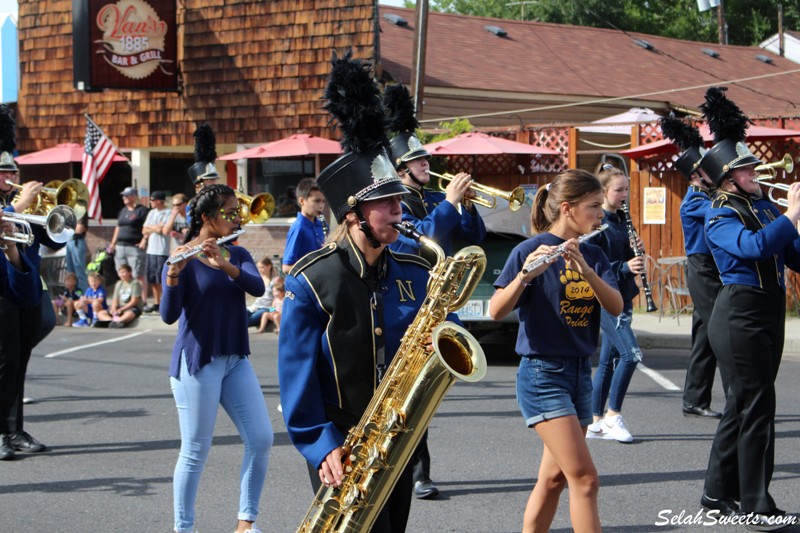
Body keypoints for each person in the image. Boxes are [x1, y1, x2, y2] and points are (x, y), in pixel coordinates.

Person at [278, 51, 435, 533]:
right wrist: (320, 443)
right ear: (352, 214)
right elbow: (296, 376)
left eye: (398, 201)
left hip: (399, 434)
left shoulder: (416, 266)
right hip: (340, 439)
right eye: (383, 204)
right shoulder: (311, 279)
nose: (397, 211)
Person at [489, 169, 622, 533]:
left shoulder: (593, 253)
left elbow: (615, 306)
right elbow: (496, 310)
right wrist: (525, 275)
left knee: (554, 480)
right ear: (567, 208)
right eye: (593, 206)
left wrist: (587, 270)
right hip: (542, 375)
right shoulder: (528, 250)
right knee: (586, 480)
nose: (600, 213)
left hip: (580, 375)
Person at [698, 87, 800, 530]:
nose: (758, 171)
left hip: (767, 309)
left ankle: (716, 492)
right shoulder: (719, 212)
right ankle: (755, 500)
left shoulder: (760, 204)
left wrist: (793, 223)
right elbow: (754, 248)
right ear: (727, 178)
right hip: (738, 313)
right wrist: (791, 216)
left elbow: (792, 256)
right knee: (758, 404)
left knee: (742, 404)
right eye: (747, 168)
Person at [383, 82, 487, 499]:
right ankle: (416, 473)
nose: (427, 163)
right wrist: (447, 203)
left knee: (425, 395)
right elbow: (417, 238)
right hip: (411, 299)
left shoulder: (428, 196)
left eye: (426, 157)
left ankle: (415, 469)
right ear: (401, 168)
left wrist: (467, 204)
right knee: (413, 392)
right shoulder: (401, 203)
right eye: (418, 159)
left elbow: (469, 235)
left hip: (439, 300)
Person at [160, 183, 272, 533]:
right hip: (198, 361)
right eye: (229, 211)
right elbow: (168, 314)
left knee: (261, 439)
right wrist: (172, 277)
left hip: (235, 359)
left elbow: (257, 288)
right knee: (195, 451)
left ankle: (245, 523)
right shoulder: (183, 256)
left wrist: (224, 264)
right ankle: (184, 528)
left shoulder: (235, 254)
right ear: (208, 217)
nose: (237, 216)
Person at [0, 104, 65, 460]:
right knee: (4, 362)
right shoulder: (12, 205)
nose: (10, 177)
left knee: (18, 361)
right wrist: (18, 205)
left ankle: (14, 430)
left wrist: (39, 213)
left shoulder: (22, 205)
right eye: (3, 172)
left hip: (23, 287)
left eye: (13, 170)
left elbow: (55, 239)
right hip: (1, 293)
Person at [660, 115, 726, 419]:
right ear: (698, 174)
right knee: (721, 331)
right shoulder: (695, 201)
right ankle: (730, 398)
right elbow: (724, 208)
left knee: (704, 336)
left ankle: (695, 399)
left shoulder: (708, 195)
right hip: (702, 268)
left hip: (711, 267)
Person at [585, 165, 646, 443]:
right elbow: (594, 264)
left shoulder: (622, 218)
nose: (624, 194)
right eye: (619, 190)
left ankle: (595, 422)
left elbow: (622, 252)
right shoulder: (598, 222)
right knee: (631, 355)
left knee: (609, 362)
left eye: (626, 189)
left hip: (624, 293)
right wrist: (625, 265)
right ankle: (613, 415)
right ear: (605, 191)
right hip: (607, 297)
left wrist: (637, 251)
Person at [281, 178, 327, 274]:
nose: (321, 206)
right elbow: (286, 267)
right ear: (302, 201)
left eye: (323, 201)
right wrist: (313, 271)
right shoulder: (298, 228)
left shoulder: (322, 225)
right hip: (307, 285)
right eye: (317, 201)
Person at [108, 187, 148, 293]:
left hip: (134, 247)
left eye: (126, 195)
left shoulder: (142, 210)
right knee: (122, 273)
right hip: (120, 246)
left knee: (137, 274)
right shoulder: (123, 211)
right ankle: (126, 298)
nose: (123, 198)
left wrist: (144, 240)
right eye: (123, 196)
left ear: (134, 196)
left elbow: (147, 227)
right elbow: (118, 227)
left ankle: (141, 301)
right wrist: (113, 243)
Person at [142, 191, 171, 313]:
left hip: (162, 250)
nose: (151, 202)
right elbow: (144, 230)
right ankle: (156, 302)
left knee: (162, 278)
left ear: (159, 201)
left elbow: (163, 230)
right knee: (153, 279)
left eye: (153, 200)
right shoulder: (151, 212)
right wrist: (155, 228)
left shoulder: (168, 212)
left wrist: (152, 228)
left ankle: (166, 303)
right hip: (151, 249)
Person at [93, 264, 143, 328]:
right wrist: (113, 308)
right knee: (101, 313)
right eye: (120, 272)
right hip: (120, 307)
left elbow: (134, 301)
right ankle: (111, 321)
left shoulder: (135, 283)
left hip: (132, 307)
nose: (121, 274)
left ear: (129, 272)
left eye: (123, 272)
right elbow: (115, 300)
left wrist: (121, 309)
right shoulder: (119, 284)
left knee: (129, 314)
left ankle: (119, 321)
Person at [246, 256, 279, 331]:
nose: (260, 270)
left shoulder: (275, 280)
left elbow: (278, 298)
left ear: (269, 266)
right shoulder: (259, 278)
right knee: (242, 312)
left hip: (267, 308)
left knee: (251, 318)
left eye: (262, 267)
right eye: (259, 268)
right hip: (255, 306)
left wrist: (273, 310)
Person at [65, 210, 90, 293]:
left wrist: (66, 228)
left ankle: (83, 294)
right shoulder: (68, 211)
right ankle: (71, 295)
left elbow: (79, 229)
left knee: (79, 271)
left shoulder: (81, 211)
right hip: (68, 241)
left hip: (77, 241)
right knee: (70, 272)